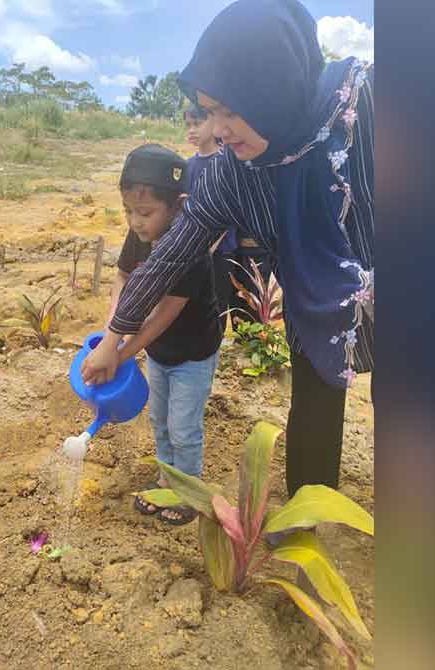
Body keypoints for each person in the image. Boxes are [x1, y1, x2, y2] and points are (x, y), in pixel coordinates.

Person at [83, 0, 374, 499]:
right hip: (316, 299)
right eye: (208, 112)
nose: (216, 130)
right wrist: (116, 335)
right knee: (314, 404)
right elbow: (171, 255)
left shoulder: (362, 106)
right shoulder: (231, 174)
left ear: (273, 87)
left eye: (230, 110)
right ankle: (306, 520)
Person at [105, 144, 223, 526]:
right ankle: (164, 480)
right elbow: (122, 277)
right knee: (159, 419)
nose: (135, 222)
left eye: (145, 212)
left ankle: (187, 492)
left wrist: (121, 354)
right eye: (128, 211)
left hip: (192, 354)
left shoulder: (191, 249)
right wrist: (113, 330)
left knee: (184, 427)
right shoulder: (139, 236)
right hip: (159, 352)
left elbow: (165, 315)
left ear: (177, 206)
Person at [184, 104, 237, 332]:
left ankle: (211, 351)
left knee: (218, 302)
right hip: (192, 249)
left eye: (198, 123)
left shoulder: (227, 163)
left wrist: (210, 247)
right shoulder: (186, 166)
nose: (192, 130)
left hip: (220, 250)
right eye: (188, 125)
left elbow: (228, 211)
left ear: (213, 123)